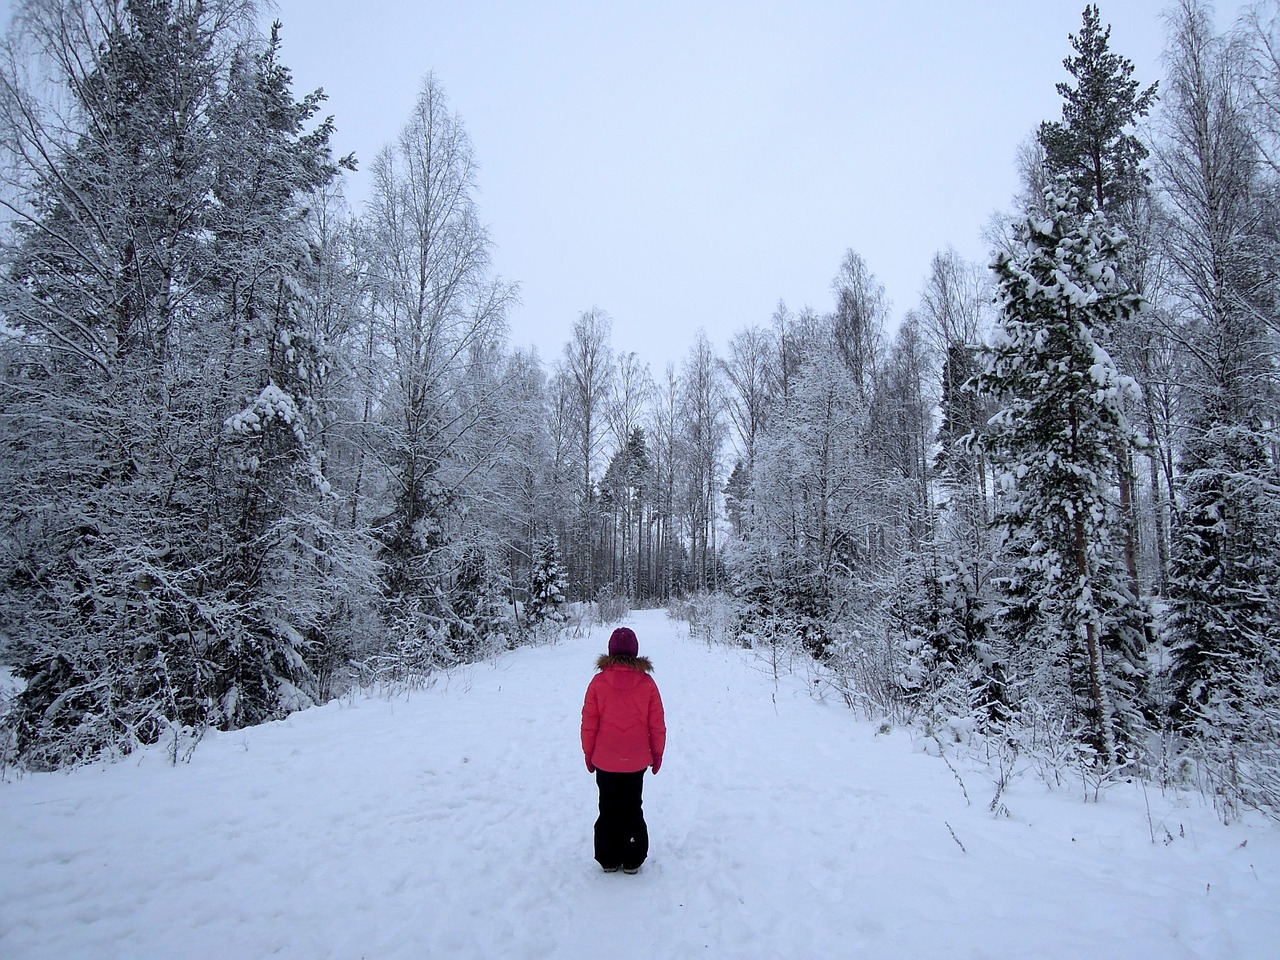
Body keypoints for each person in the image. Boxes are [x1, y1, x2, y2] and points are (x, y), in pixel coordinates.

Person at [580, 626, 666, 874]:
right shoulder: (648, 683)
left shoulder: (598, 683)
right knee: (632, 806)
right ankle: (632, 857)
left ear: (611, 651)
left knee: (607, 807)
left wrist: (588, 753)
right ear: (635, 651)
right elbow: (657, 724)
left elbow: (589, 724)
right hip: (636, 761)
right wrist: (657, 754)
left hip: (605, 760)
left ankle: (608, 858)